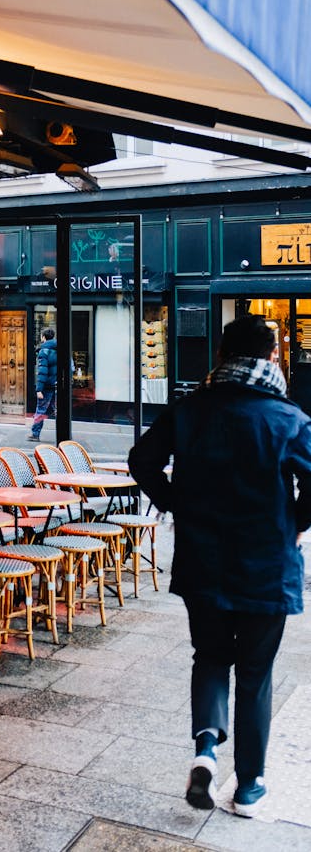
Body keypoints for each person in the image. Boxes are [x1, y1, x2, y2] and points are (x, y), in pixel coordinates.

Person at [128, 315, 311, 818]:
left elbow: (141, 460)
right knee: (255, 672)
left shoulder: (189, 410)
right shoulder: (287, 419)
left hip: (203, 561)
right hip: (265, 566)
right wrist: (297, 521)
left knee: (209, 657)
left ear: (222, 356)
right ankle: (249, 784)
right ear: (270, 358)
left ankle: (206, 749)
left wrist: (175, 504)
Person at [28, 327, 57, 441]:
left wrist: (39, 389)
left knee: (40, 410)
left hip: (47, 387)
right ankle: (65, 433)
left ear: (43, 337)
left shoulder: (44, 351)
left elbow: (42, 372)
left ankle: (35, 434)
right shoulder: (60, 348)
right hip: (57, 385)